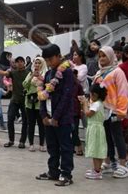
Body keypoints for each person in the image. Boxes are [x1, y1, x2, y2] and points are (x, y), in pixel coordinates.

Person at [35, 44, 74, 186]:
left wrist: (56, 117)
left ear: (59, 56)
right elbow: (43, 96)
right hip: (49, 116)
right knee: (52, 146)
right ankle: (53, 171)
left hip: (62, 117)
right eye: (47, 60)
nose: (50, 63)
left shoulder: (67, 72)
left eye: (51, 59)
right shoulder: (48, 74)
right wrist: (44, 115)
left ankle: (66, 174)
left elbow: (66, 96)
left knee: (65, 147)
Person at [93, 46, 128, 179]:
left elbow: (123, 91)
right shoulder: (98, 73)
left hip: (114, 110)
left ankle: (123, 165)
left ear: (110, 56)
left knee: (117, 136)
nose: (102, 58)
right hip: (102, 111)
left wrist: (121, 110)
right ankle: (109, 161)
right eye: (100, 56)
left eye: (104, 56)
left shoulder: (117, 72)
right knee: (106, 137)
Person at [0, 56, 28, 149]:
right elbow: (4, 73)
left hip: (25, 100)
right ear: (15, 64)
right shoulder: (13, 72)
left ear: (24, 63)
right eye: (17, 62)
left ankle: (22, 141)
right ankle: (11, 140)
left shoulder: (29, 73)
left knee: (25, 121)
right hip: (14, 99)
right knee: (10, 118)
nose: (19, 63)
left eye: (21, 61)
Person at [79, 84, 107, 180]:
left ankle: (97, 171)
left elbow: (88, 114)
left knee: (95, 150)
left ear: (94, 94)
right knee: (98, 149)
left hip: (95, 129)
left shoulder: (96, 104)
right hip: (97, 128)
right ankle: (97, 169)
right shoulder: (99, 103)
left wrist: (84, 103)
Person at [23, 57, 47, 152]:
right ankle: (31, 144)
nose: (37, 65)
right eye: (35, 63)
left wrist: (40, 77)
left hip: (40, 102)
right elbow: (24, 85)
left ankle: (42, 144)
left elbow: (48, 85)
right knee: (31, 124)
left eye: (39, 63)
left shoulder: (46, 74)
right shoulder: (30, 74)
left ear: (43, 64)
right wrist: (32, 76)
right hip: (29, 102)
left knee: (41, 124)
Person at [71, 70, 85, 156]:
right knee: (70, 130)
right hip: (68, 111)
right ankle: (72, 148)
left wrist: (82, 109)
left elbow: (82, 98)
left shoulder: (78, 86)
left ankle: (79, 147)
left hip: (76, 111)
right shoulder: (66, 85)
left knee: (74, 130)